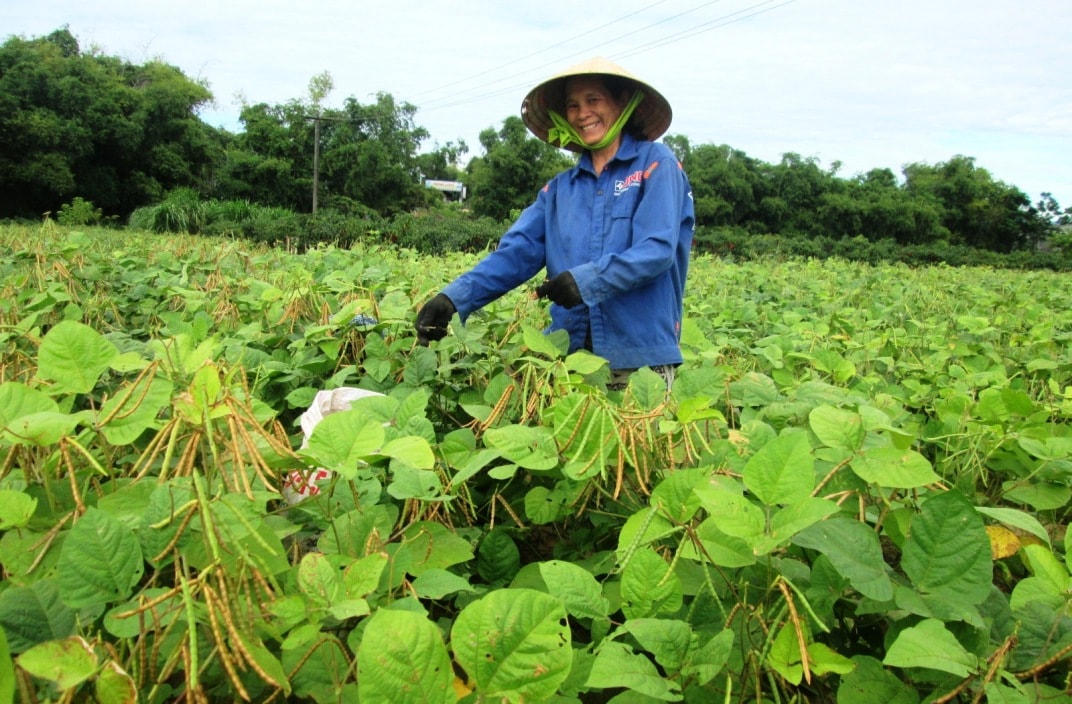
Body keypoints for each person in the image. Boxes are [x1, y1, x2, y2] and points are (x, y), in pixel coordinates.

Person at [415, 56, 694, 390]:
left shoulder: (656, 164)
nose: (582, 113)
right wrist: (454, 298)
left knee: (632, 440)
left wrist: (586, 281)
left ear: (622, 103)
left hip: (638, 364)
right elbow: (515, 253)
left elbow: (657, 249)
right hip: (566, 362)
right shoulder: (559, 190)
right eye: (572, 105)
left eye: (594, 100)